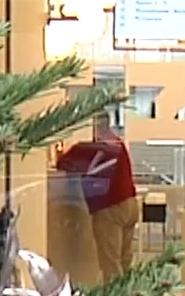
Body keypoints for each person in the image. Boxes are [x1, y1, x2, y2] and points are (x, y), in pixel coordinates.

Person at [56, 115, 140, 283]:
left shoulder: (90, 147)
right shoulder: (117, 143)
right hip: (131, 203)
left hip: (110, 207)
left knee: (110, 263)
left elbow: (63, 163)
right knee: (125, 260)